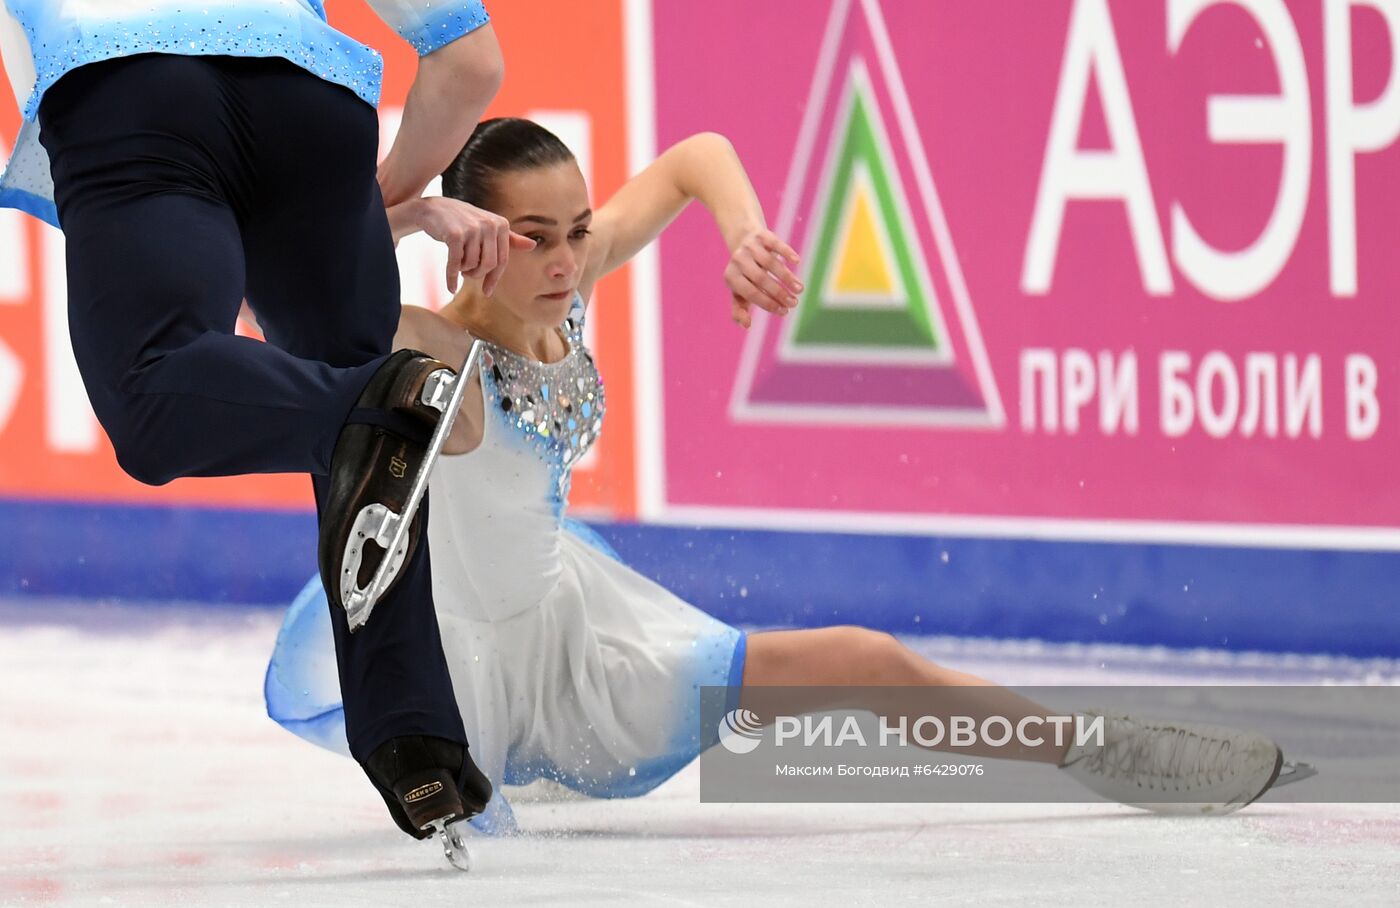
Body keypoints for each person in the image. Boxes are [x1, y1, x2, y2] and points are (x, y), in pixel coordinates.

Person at [265, 118, 1292, 834]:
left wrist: (744, 231)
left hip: (582, 645)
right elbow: (268, 282)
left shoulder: (564, 289)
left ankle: (1097, 748)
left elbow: (696, 157)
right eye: (534, 239)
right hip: (456, 668)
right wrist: (414, 217)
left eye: (577, 231)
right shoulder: (428, 348)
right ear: (477, 239)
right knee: (475, 853)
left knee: (864, 658)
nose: (569, 260)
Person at [0, 1, 519, 840]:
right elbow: (470, 58)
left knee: (156, 392)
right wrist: (371, 203)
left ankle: (370, 397)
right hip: (315, 102)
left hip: (130, 89)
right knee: (369, 442)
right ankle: (415, 740)